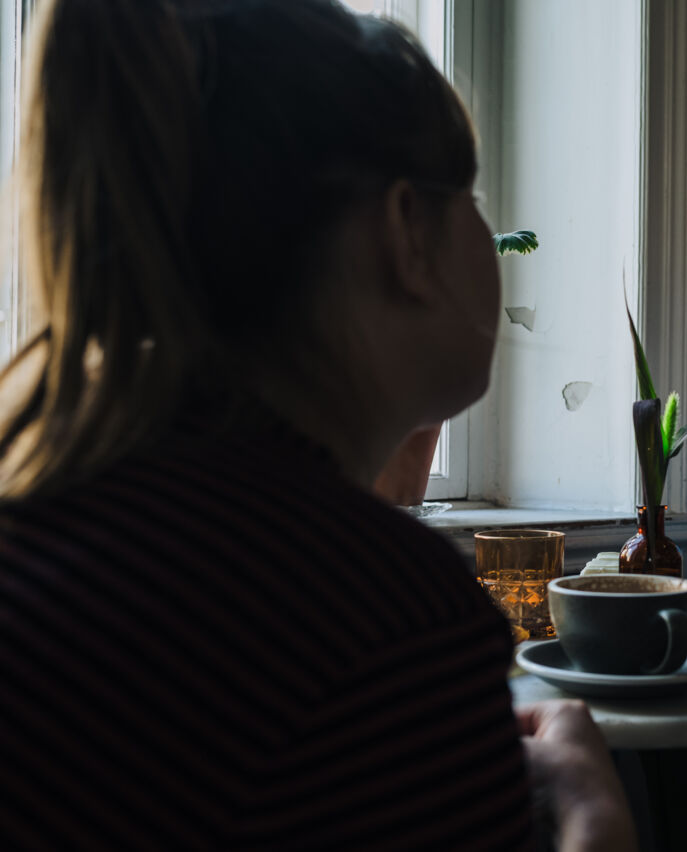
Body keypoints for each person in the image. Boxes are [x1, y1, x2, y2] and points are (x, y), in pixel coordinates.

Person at [0, 1, 635, 850]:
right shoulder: (384, 620)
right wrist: (596, 813)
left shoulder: (58, 514)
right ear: (407, 233)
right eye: (474, 199)